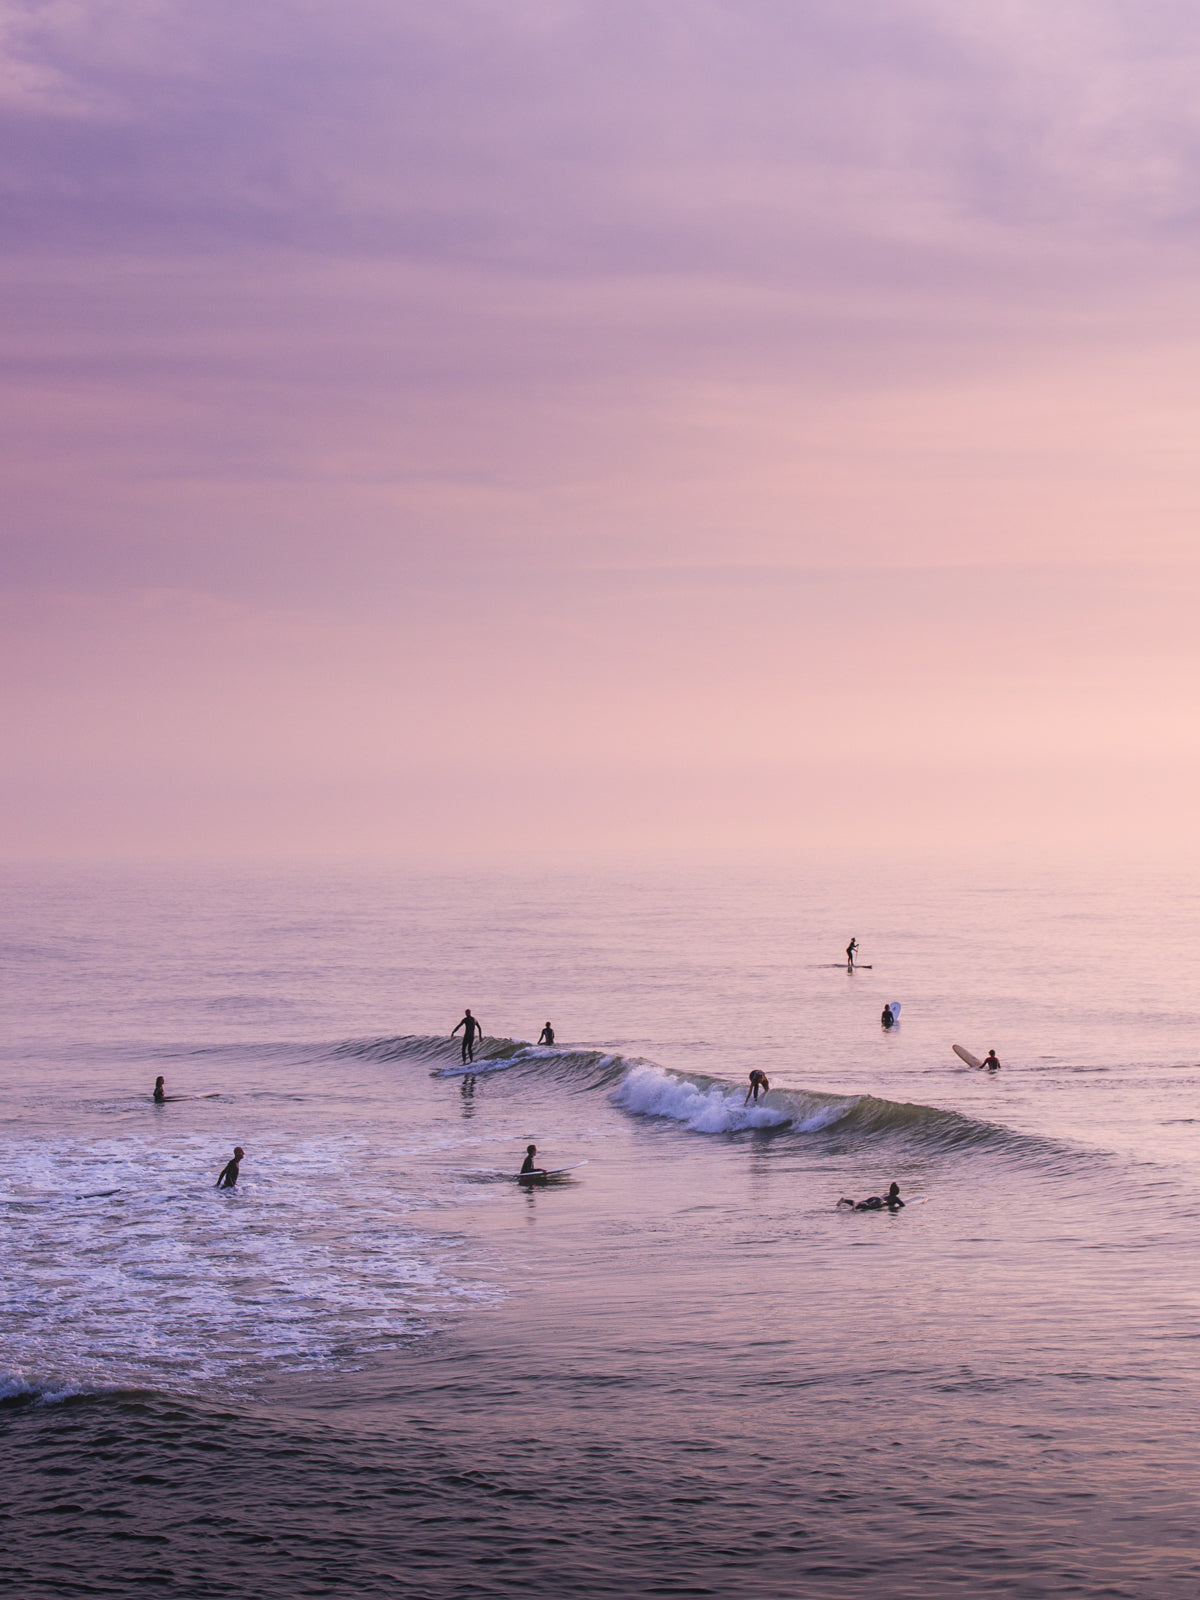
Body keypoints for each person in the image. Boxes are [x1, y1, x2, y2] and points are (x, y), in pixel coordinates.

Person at [838, 1182, 904, 1212]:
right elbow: (902, 1205)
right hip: (880, 1202)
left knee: (862, 1203)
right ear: (897, 1192)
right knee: (868, 1206)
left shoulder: (886, 1194)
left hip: (875, 1198)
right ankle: (856, 1204)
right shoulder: (895, 1198)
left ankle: (845, 1200)